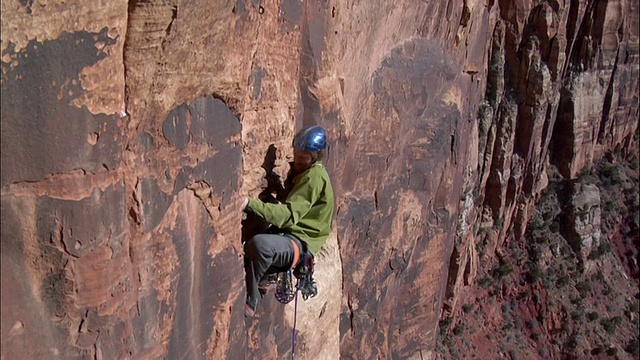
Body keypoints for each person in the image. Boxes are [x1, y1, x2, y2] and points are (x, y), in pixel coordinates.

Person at [241, 125, 335, 318]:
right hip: (288, 235)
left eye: (303, 158)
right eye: (296, 155)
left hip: (299, 243)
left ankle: (252, 298)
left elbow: (288, 215)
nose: (298, 161)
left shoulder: (315, 177)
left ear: (315, 157)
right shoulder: (304, 173)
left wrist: (249, 204)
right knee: (261, 232)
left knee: (260, 245)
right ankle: (266, 273)